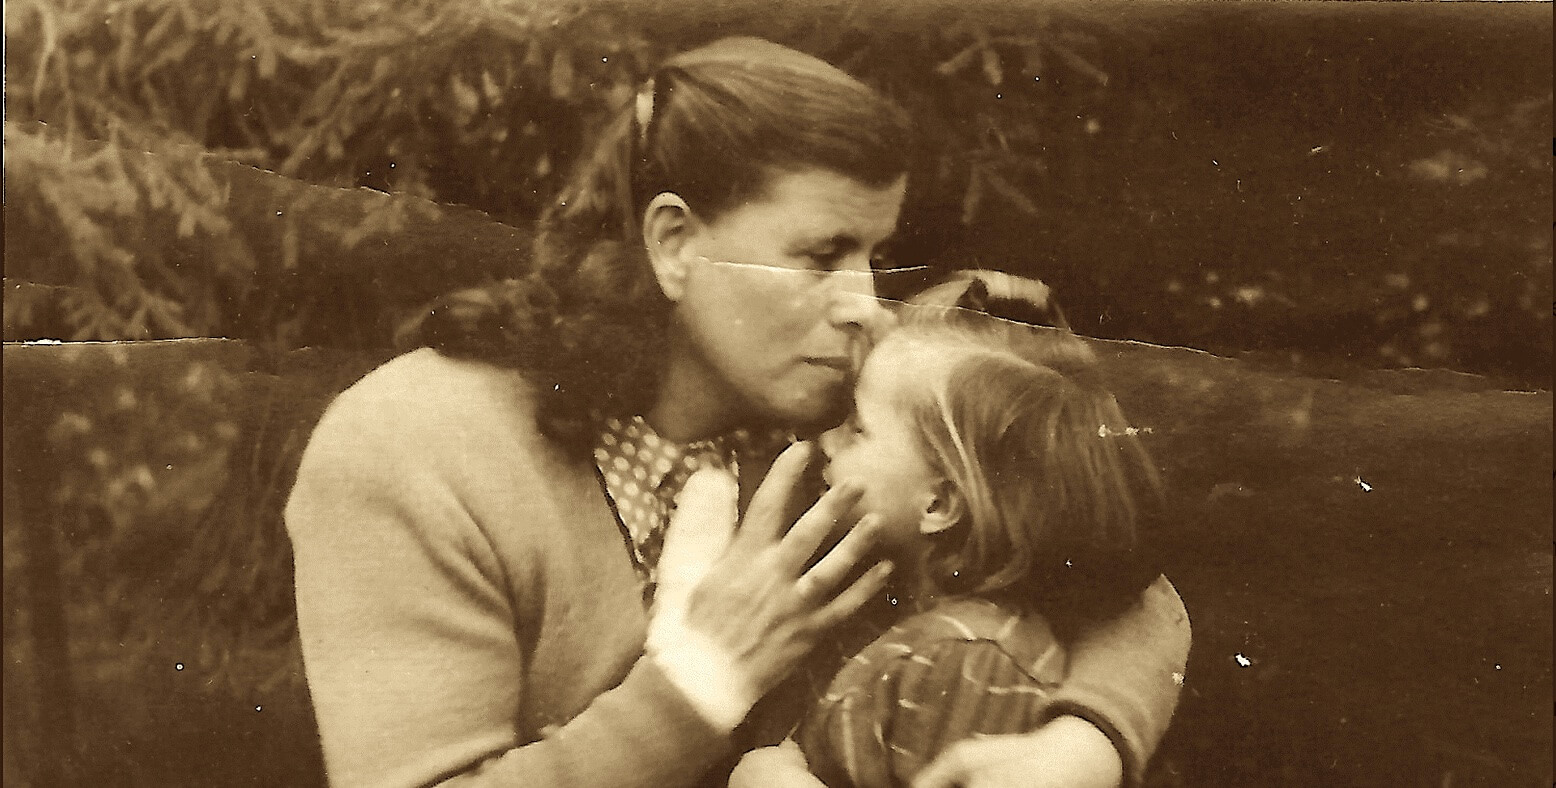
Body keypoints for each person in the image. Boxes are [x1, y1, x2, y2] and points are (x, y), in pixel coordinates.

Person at [285, 36, 1189, 788]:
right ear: (674, 244)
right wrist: (696, 690)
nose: (863, 304)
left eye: (874, 254)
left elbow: (1117, 572)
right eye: (823, 253)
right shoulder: (414, 449)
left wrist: (1086, 742)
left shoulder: (853, 405)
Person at [725, 308, 1169, 787]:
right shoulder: (905, 608)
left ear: (938, 503)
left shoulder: (965, 665)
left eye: (857, 428)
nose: (826, 439)